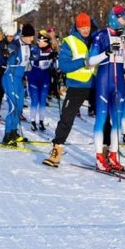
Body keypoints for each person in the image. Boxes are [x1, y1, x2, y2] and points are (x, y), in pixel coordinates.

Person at [88, 5, 125, 171]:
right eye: (123, 17)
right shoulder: (101, 36)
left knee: (117, 122)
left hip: (119, 83)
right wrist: (106, 53)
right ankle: (99, 157)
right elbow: (90, 61)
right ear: (114, 17)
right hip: (104, 82)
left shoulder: (124, 36)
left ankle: (113, 155)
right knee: (101, 120)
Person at [43, 13, 96, 167]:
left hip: (95, 84)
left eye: (87, 27)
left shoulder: (96, 39)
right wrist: (83, 62)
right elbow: (64, 66)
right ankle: (56, 151)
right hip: (77, 85)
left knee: (104, 119)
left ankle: (105, 152)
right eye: (82, 27)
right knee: (66, 118)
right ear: (77, 27)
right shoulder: (70, 41)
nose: (85, 30)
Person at [2, 23, 35, 146]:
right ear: (24, 36)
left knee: (20, 107)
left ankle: (13, 132)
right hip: (10, 77)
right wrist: (10, 53)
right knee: (13, 107)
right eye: (30, 37)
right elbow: (7, 54)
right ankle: (7, 135)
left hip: (19, 79)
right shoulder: (15, 45)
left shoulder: (29, 46)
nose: (32, 39)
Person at [28, 31, 56, 132]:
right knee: (35, 101)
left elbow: (54, 65)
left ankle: (41, 122)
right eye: (38, 40)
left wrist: (54, 60)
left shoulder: (51, 50)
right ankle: (32, 121)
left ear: (47, 42)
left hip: (45, 77)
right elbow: (35, 60)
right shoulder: (34, 49)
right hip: (34, 76)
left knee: (43, 102)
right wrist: (48, 57)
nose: (39, 42)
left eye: (42, 41)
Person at [0, 30, 12, 121]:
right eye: (9, 36)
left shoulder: (15, 44)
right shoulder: (0, 44)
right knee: (1, 91)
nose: (11, 38)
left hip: (12, 69)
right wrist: (7, 62)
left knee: (13, 91)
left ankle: (17, 112)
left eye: (12, 36)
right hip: (1, 69)